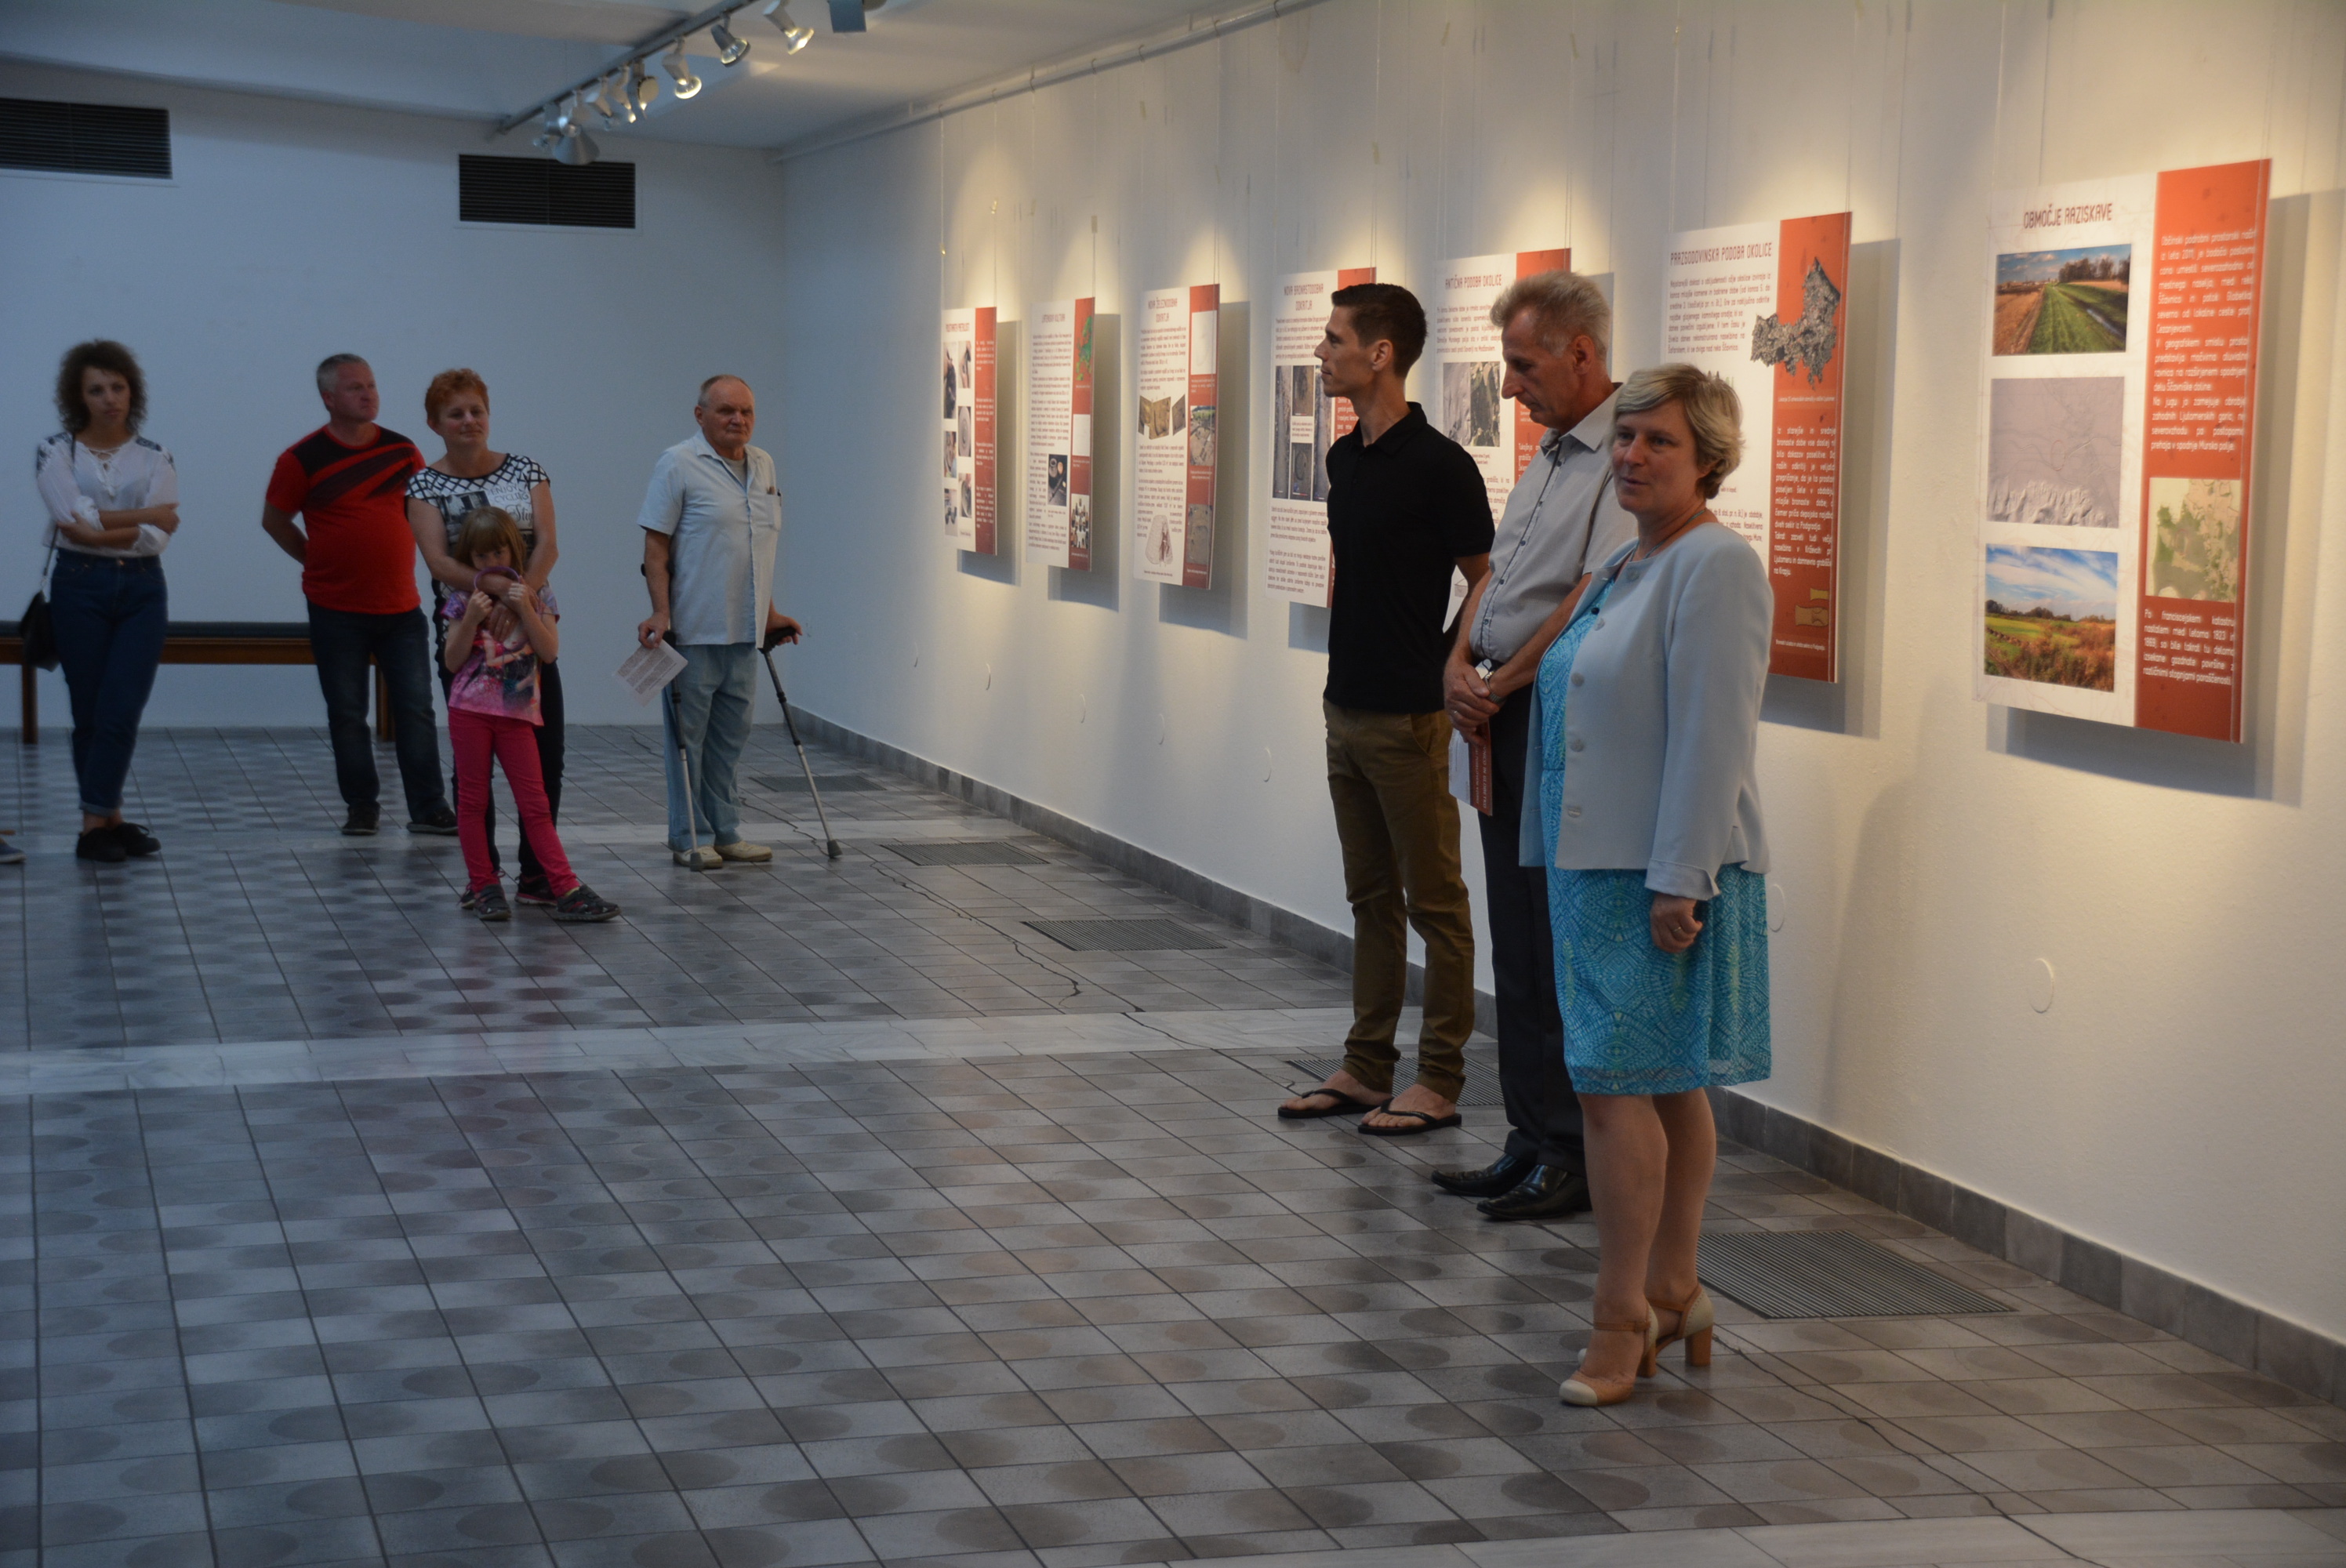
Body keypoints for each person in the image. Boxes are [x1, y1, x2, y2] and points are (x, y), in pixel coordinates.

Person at [1502, 365, 1770, 1406]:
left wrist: (1679, 878)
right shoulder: (1630, 559)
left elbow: (1715, 736)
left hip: (1652, 872)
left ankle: (1620, 1317)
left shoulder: (1716, 565)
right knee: (1659, 1083)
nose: (1631, 455)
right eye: (1624, 437)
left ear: (1708, 458)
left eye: (1659, 441)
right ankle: (1673, 1288)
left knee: (1613, 1095)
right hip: (1595, 865)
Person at [1430, 273, 1638, 1221]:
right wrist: (1456, 664)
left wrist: (1500, 681)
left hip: (1546, 721)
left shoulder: (1622, 454)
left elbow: (1588, 595)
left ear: (1579, 353)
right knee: (1513, 939)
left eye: (1522, 365)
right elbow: (1497, 575)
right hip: (1495, 717)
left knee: (1557, 945)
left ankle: (1568, 1149)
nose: (1509, 386)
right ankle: (1526, 1136)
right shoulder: (1550, 455)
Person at [1276, 283, 1493, 1136]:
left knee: (1435, 903)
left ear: (1381, 353)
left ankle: (1439, 1077)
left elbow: (1485, 578)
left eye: (1334, 340)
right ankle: (1368, 1065)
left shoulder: (1441, 465)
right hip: (1346, 706)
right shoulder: (1345, 459)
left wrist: (1451, 659)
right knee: (1370, 895)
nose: (1320, 352)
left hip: (1409, 717)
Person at [262, 354, 456, 838]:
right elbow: (275, 520)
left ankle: (429, 807)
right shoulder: (302, 459)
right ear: (329, 398)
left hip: (401, 607)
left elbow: (425, 512)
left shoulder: (402, 450)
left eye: (371, 385)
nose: (368, 394)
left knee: (416, 710)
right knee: (348, 714)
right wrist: (314, 560)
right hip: (336, 610)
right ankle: (362, 807)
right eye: (355, 388)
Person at [407, 369, 564, 906]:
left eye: (476, 410)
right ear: (435, 424)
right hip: (467, 627)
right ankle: (484, 879)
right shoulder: (423, 486)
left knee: (543, 752)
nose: (469, 421)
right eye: (456, 414)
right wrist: (494, 595)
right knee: (474, 765)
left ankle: (539, 876)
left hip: (528, 625)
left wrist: (522, 598)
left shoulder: (527, 471)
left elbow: (547, 545)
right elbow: (439, 562)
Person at [634, 375, 800, 869]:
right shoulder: (678, 463)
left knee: (730, 738)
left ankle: (726, 830)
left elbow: (758, 550)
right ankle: (690, 835)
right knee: (689, 741)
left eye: (746, 411)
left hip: (744, 633)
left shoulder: (764, 464)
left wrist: (770, 614)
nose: (738, 420)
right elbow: (655, 547)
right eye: (727, 411)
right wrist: (661, 612)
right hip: (693, 629)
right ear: (700, 415)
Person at [34, 340, 180, 864]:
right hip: (79, 584)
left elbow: (157, 538)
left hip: (143, 588)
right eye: (96, 390)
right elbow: (78, 523)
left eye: (118, 387)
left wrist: (98, 528)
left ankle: (95, 824)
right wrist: (140, 517)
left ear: (132, 392)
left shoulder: (156, 454)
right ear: (79, 396)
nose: (110, 398)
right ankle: (106, 820)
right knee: (90, 711)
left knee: (121, 707)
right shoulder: (56, 451)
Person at [440, 506, 617, 924]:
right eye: (481, 556)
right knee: (473, 800)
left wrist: (527, 610)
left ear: (514, 551)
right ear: (469, 558)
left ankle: (565, 887)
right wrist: (473, 618)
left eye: (498, 552)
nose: (491, 562)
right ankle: (483, 886)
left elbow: (549, 651)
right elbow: (452, 661)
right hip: (470, 712)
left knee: (535, 803)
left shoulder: (538, 593)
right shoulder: (463, 599)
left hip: (517, 714)